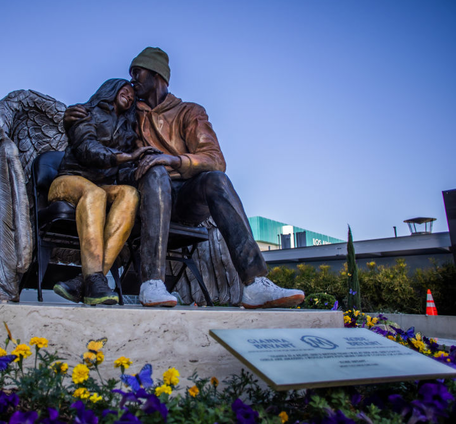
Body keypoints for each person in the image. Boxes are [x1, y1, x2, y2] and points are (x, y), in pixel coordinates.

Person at [64, 47, 305, 308]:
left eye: (137, 72)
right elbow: (100, 123)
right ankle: (152, 282)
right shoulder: (131, 113)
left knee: (217, 179)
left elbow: (215, 158)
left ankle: (255, 283)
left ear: (157, 75)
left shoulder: (189, 112)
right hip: (145, 194)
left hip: (185, 198)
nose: (132, 79)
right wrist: (73, 118)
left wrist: (173, 160)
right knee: (154, 171)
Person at [50, 78, 160, 305]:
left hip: (100, 186)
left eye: (132, 96)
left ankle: (87, 280)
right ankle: (94, 280)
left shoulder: (128, 132)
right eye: (125, 90)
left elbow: (125, 169)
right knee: (95, 194)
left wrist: (146, 162)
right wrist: (125, 157)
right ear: (112, 89)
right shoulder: (85, 112)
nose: (129, 97)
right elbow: (87, 149)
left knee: (130, 194)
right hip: (67, 181)